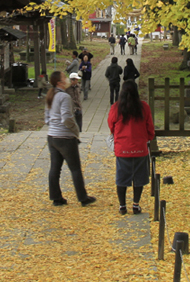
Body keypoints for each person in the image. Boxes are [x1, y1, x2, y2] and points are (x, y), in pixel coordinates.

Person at [45, 71, 96, 207]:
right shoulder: (64, 96)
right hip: (65, 137)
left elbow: (47, 117)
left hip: (52, 136)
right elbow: (66, 117)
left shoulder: (51, 95)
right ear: (59, 82)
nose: (67, 79)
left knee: (55, 168)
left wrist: (54, 126)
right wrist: (75, 130)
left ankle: (56, 197)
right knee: (75, 168)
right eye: (64, 78)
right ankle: (82, 197)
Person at [107, 80, 155, 215]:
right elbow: (149, 126)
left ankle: (122, 206)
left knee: (122, 177)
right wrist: (149, 137)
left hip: (123, 148)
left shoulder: (116, 108)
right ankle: (136, 204)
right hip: (140, 148)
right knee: (139, 177)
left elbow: (111, 125)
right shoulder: (144, 107)